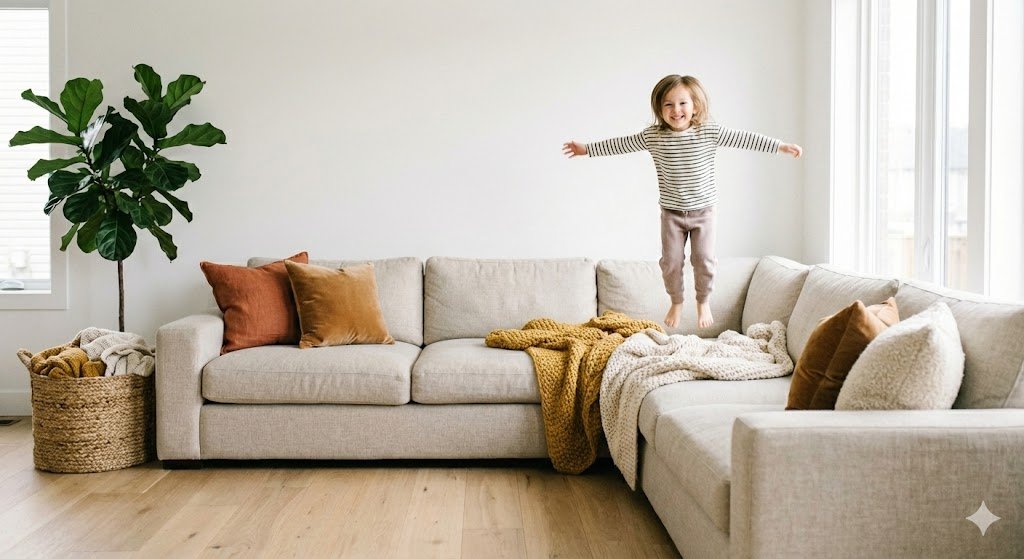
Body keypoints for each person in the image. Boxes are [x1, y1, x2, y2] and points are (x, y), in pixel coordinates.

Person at [563, 74, 802, 329]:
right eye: (668, 105)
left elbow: (745, 138)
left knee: (703, 259)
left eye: (682, 104)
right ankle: (676, 301)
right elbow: (621, 144)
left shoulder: (709, 132)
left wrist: (781, 146)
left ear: (695, 106)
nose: (676, 110)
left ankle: (703, 301)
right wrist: (586, 149)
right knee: (671, 262)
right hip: (671, 214)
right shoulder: (653, 136)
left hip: (704, 212)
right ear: (659, 109)